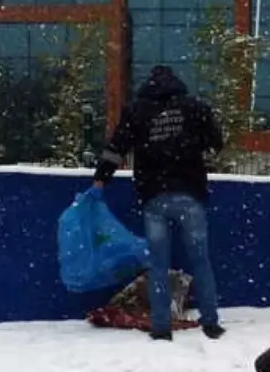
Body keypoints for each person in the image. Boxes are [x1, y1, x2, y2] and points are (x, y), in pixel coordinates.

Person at [93, 65, 225, 342]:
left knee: (158, 265)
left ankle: (161, 327)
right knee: (201, 260)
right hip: (190, 193)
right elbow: (217, 142)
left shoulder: (136, 111)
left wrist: (100, 180)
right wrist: (193, 144)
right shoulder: (195, 107)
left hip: (154, 195)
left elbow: (115, 149)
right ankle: (211, 321)